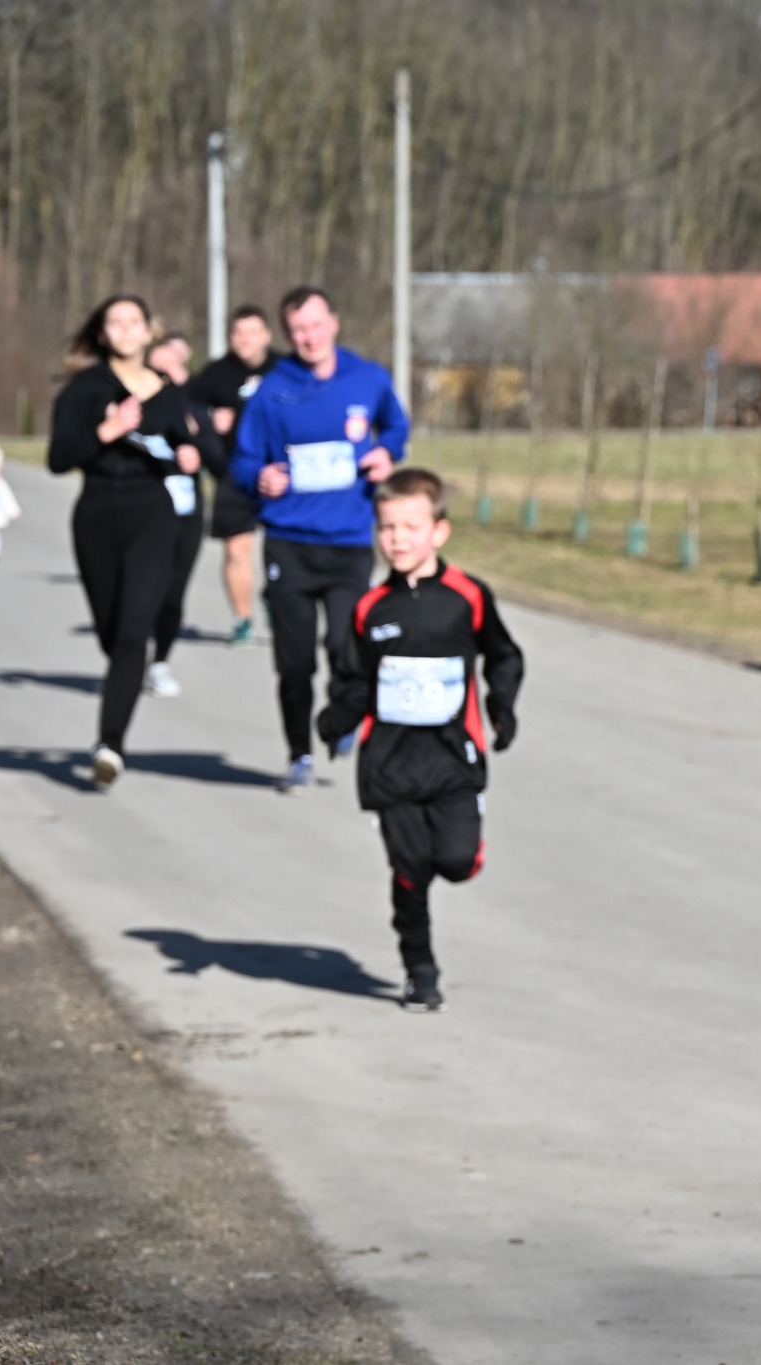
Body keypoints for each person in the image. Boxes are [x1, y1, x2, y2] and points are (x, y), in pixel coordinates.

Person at [316, 468, 523, 1011]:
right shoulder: (368, 609)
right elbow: (354, 679)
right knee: (409, 872)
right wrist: (334, 718)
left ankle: (462, 853)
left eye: (410, 526)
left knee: (453, 862)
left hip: (455, 759)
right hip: (390, 765)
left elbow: (503, 655)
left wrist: (501, 707)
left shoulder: (467, 597)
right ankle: (420, 970)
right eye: (386, 528)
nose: (397, 539)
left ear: (439, 531)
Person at [232, 286, 409, 793]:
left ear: (333, 321)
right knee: (295, 661)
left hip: (350, 539)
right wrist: (259, 478)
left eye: (315, 325)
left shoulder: (368, 378)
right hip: (289, 541)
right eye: (297, 330)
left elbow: (395, 426)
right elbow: (244, 460)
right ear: (288, 335)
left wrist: (386, 452)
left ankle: (343, 715)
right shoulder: (272, 390)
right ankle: (299, 753)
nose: (308, 337)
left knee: (345, 644)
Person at [47, 296, 205, 790]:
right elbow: (58, 457)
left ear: (148, 331)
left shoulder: (168, 391)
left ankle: (110, 743)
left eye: (133, 321)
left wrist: (191, 451)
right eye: (115, 322)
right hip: (96, 513)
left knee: (135, 629)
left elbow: (193, 443)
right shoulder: (84, 389)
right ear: (102, 333)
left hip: (152, 513)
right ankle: (123, 682)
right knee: (112, 631)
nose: (125, 329)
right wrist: (107, 430)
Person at [188, 305, 279, 643]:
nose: (245, 339)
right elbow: (186, 409)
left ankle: (276, 596)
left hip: (282, 471)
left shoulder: (285, 369)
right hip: (234, 472)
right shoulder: (215, 373)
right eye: (239, 333)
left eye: (252, 332)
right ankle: (242, 618)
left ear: (267, 335)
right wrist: (210, 420)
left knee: (285, 549)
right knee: (237, 550)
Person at [143, 331, 215, 698]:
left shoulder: (194, 408)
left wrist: (199, 446)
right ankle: (131, 655)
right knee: (141, 589)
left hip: (186, 509)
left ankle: (159, 663)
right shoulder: (131, 405)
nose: (167, 376)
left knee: (173, 592)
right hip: (141, 507)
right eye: (159, 368)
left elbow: (218, 459)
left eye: (174, 366)